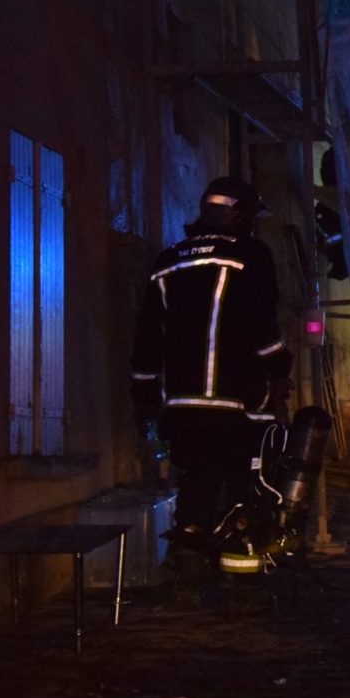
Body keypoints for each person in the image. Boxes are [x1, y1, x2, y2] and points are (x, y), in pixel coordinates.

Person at [130, 177, 292, 559]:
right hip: (239, 401)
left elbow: (148, 334)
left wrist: (144, 393)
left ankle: (189, 557)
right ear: (239, 215)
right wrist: (280, 366)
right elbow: (262, 325)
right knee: (244, 488)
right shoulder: (251, 255)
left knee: (196, 483)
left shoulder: (168, 261)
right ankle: (239, 567)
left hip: (181, 405)